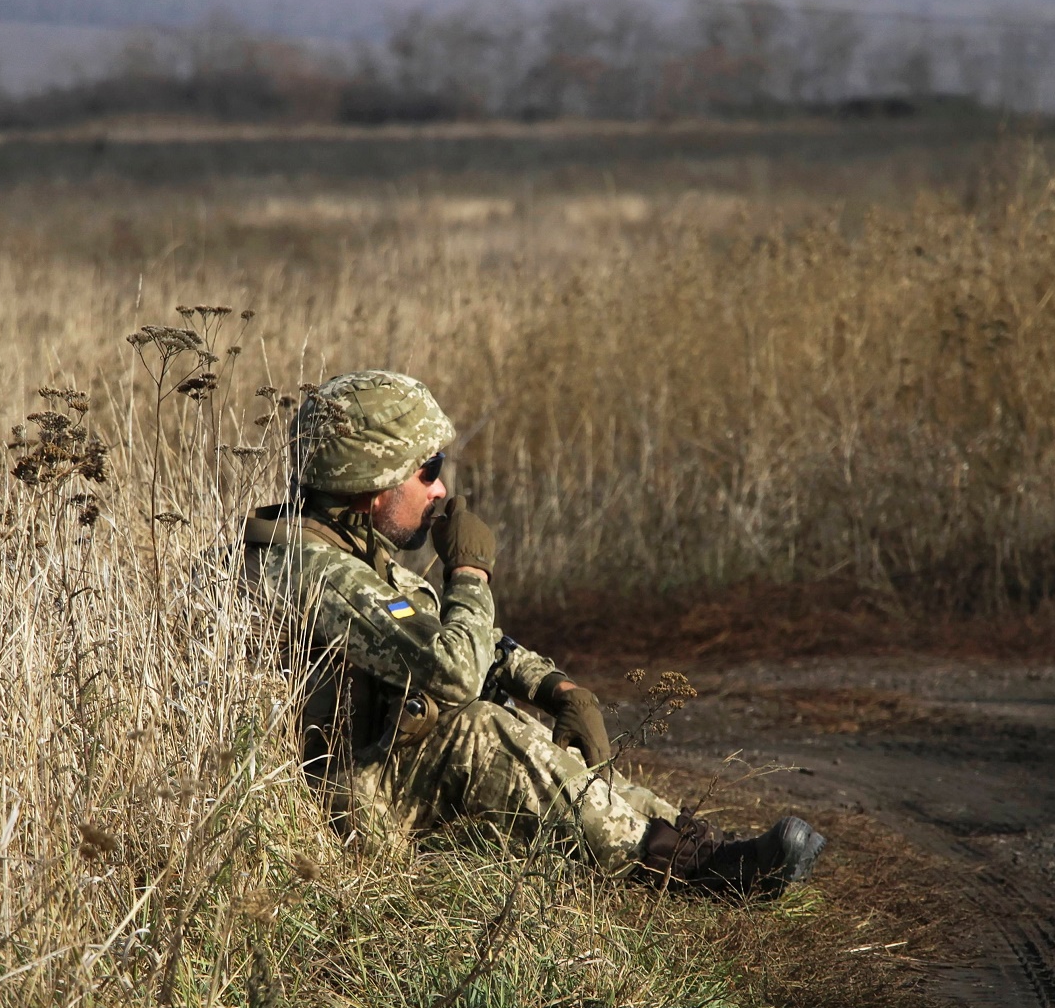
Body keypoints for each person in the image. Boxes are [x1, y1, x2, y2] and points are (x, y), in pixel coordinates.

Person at [239, 370, 825, 896]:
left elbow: (456, 638)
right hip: (339, 805)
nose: (440, 489)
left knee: (514, 718)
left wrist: (555, 689)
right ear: (373, 484)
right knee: (479, 727)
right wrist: (469, 574)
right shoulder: (308, 571)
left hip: (377, 771)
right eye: (428, 470)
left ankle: (691, 843)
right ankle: (680, 866)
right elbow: (452, 671)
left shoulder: (352, 550)